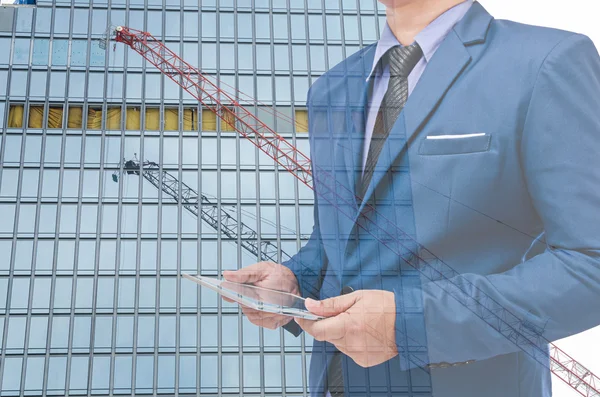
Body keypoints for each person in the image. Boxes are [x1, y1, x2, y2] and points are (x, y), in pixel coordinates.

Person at [225, 1, 600, 396]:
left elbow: (589, 263)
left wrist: (410, 325)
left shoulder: (545, 62)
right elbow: (338, 239)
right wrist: (295, 282)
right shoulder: (330, 89)